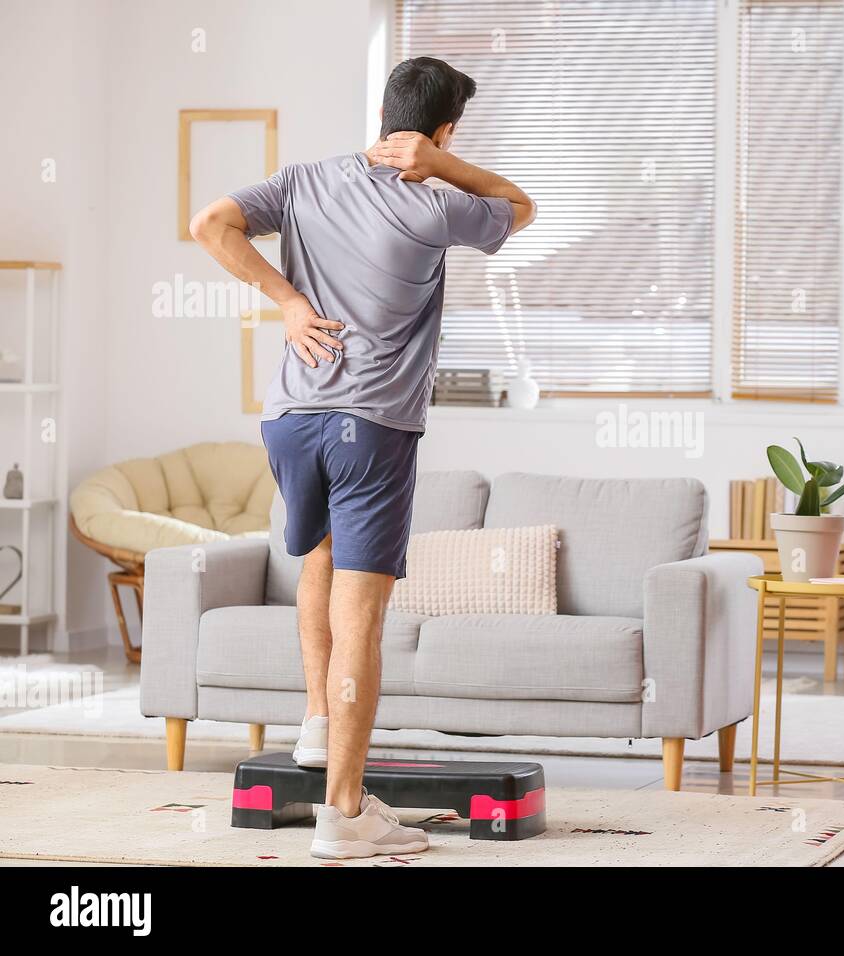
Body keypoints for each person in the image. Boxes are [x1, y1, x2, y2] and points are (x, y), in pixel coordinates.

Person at [189, 56, 536, 859]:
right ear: (443, 130)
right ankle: (345, 817)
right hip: (370, 426)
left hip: (288, 418)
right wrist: (442, 164)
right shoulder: (433, 205)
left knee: (320, 557)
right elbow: (520, 205)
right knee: (364, 619)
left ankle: (316, 724)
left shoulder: (307, 180)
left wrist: (289, 302)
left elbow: (211, 223)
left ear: (385, 115)